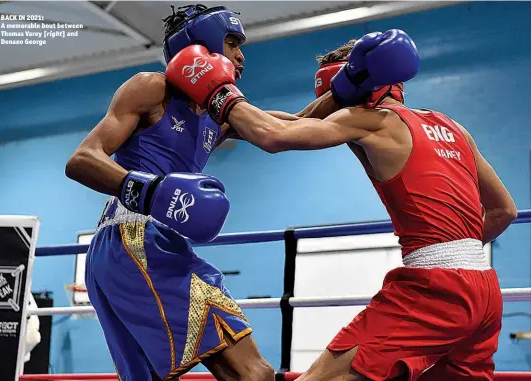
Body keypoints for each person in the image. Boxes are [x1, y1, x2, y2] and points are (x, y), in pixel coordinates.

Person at [165, 30, 517, 381]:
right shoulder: (453, 127)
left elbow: (275, 136)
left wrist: (218, 92)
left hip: (434, 290)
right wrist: (454, 257)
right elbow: (505, 211)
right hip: (486, 291)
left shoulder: (369, 120)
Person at [64, 4, 338, 381]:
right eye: (231, 43)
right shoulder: (151, 87)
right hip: (134, 241)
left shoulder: (218, 114)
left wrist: (349, 86)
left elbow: (301, 124)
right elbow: (82, 158)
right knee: (252, 373)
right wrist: (150, 191)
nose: (241, 56)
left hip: (145, 246)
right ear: (201, 45)